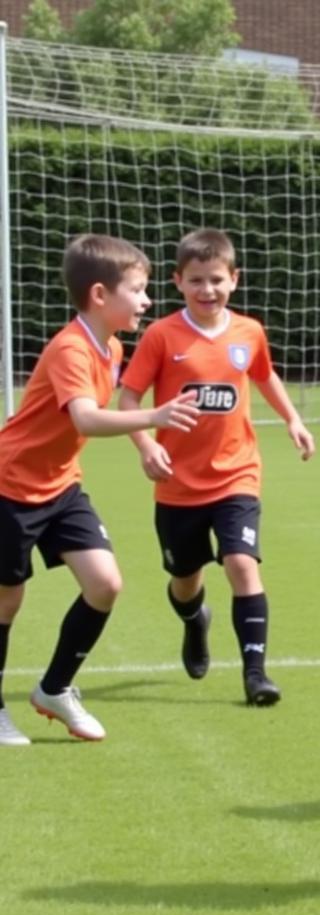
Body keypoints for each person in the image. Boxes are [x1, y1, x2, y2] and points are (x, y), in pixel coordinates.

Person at [0, 234, 199, 747]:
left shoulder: (111, 345)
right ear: (99, 295)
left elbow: (97, 413)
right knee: (7, 601)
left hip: (62, 486)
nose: (147, 300)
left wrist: (143, 443)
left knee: (105, 584)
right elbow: (85, 417)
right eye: (137, 289)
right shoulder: (70, 348)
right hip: (12, 486)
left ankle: (55, 689)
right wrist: (153, 417)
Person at [119, 229, 315, 708]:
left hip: (237, 476)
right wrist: (146, 445)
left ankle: (256, 674)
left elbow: (264, 374)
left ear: (235, 279)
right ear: (178, 283)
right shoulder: (162, 336)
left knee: (242, 565)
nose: (208, 290)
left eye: (216, 280)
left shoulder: (249, 332)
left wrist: (292, 419)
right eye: (196, 281)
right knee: (185, 579)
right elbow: (128, 396)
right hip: (178, 484)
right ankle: (194, 621)